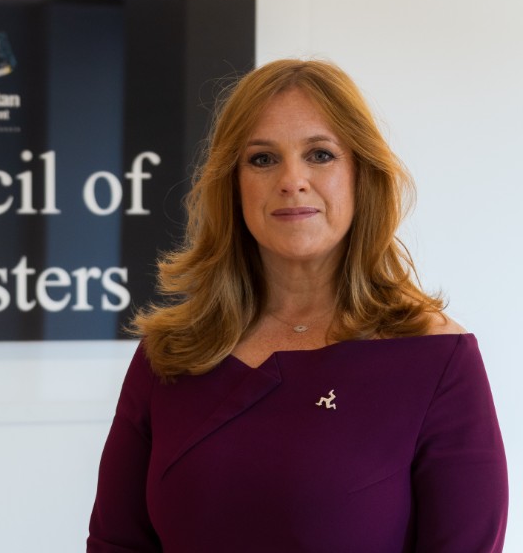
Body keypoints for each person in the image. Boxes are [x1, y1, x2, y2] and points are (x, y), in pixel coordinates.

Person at [87, 59, 508, 552]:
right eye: (262, 159)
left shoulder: (436, 359)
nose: (292, 180)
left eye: (320, 155)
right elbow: (115, 542)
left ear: (361, 175)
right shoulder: (171, 353)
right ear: (233, 184)